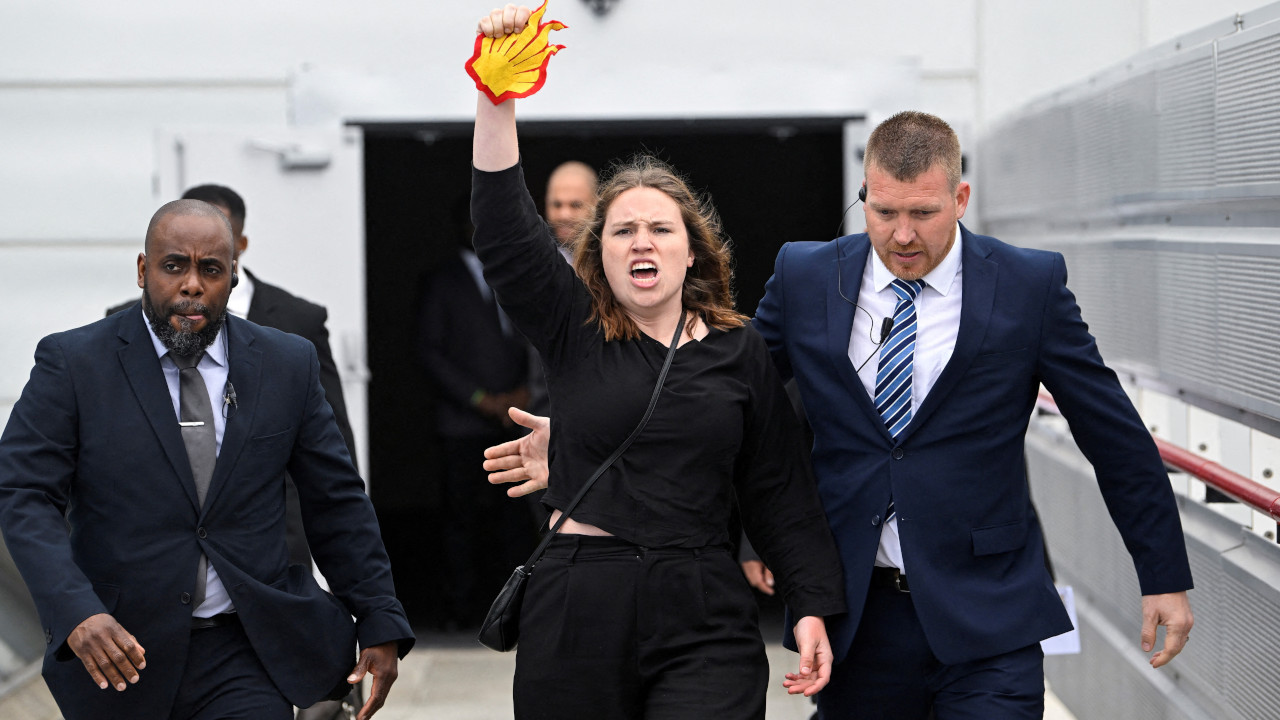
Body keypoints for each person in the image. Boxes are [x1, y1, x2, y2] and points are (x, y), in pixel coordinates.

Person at [485, 109, 1196, 718]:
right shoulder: (806, 277)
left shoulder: (1028, 285)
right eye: (883, 212)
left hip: (991, 609)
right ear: (865, 196)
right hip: (859, 609)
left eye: (923, 213)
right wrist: (590, 440)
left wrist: (1162, 573)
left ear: (961, 197)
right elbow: (725, 396)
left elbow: (1112, 430)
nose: (902, 234)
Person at [469, 6, 845, 718]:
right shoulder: (573, 326)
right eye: (623, 230)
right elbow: (502, 230)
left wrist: (810, 605)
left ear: (691, 248)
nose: (642, 241)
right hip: (580, 599)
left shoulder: (740, 351)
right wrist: (496, 100)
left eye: (660, 228)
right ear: (599, 252)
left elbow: (780, 490)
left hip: (703, 602)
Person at [0, 199, 413, 720]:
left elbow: (337, 501)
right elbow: (23, 494)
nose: (192, 285)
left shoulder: (286, 364)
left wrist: (378, 616)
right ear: (143, 270)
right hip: (118, 652)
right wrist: (75, 610)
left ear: (234, 277)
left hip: (244, 650)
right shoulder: (75, 363)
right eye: (175, 265)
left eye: (210, 269)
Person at [415, 202, 534, 630]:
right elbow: (430, 352)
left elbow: (535, 338)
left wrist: (528, 389)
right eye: (473, 218)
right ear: (460, 224)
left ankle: (514, 611)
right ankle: (459, 612)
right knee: (461, 520)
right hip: (464, 425)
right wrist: (481, 399)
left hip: (518, 421)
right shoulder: (442, 279)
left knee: (517, 520)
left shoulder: (516, 274)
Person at [543, 159, 598, 257]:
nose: (564, 215)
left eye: (575, 205)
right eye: (557, 205)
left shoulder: (613, 256)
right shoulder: (535, 260)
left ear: (596, 205)